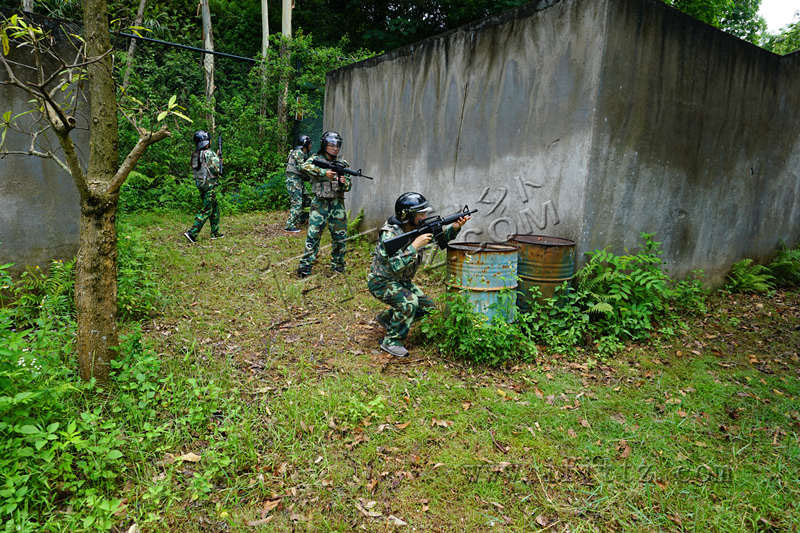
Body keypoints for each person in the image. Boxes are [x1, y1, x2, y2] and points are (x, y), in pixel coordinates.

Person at [367, 192, 470, 357]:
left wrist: (455, 227)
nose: (424, 216)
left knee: (428, 308)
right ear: (407, 215)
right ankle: (392, 341)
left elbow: (441, 240)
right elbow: (395, 265)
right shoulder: (390, 234)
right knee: (410, 302)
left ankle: (388, 319)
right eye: (420, 214)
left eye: (425, 213)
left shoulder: (417, 228)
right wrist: (414, 246)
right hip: (382, 281)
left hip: (401, 280)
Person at [296, 131, 351, 277]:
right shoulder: (315, 159)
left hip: (337, 204)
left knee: (340, 238)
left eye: (337, 145)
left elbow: (348, 186)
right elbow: (303, 167)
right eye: (332, 145)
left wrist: (343, 182)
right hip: (320, 204)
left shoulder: (342, 164)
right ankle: (305, 267)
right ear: (324, 145)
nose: (335, 148)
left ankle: (338, 267)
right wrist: (323, 172)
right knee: (313, 236)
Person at [184, 130, 223, 243]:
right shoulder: (208, 153)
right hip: (209, 185)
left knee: (214, 207)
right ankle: (192, 233)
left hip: (201, 184)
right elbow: (216, 170)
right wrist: (219, 159)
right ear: (205, 142)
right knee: (207, 209)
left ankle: (215, 232)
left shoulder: (196, 154)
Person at [284, 134, 312, 232]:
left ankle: (301, 219)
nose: (311, 146)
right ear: (305, 144)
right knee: (297, 203)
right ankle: (289, 225)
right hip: (294, 181)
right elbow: (301, 168)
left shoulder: (296, 152)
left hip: (297, 181)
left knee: (307, 200)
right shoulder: (299, 152)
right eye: (310, 144)